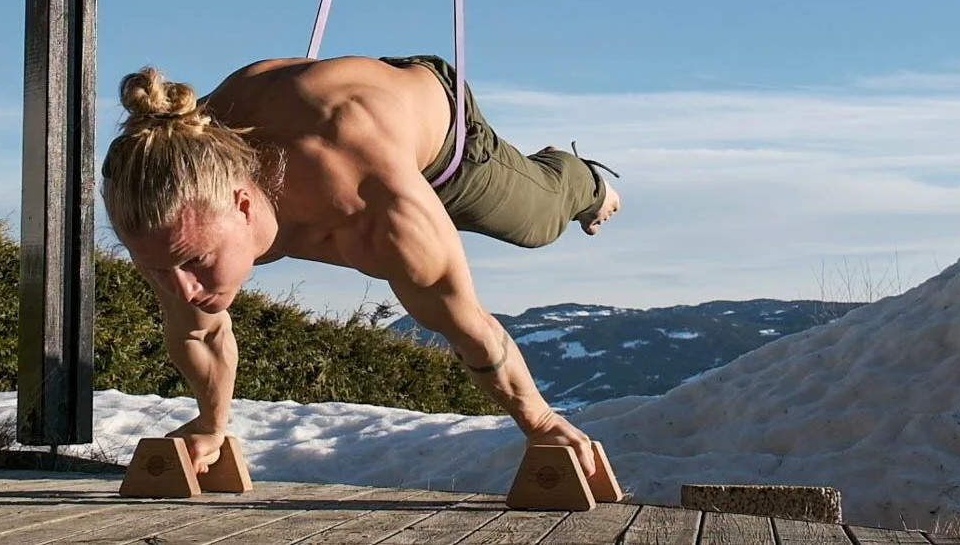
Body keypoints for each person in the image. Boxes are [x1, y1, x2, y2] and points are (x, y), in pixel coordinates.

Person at [99, 54, 621, 479]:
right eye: (161, 270)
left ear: (243, 205)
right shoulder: (169, 209)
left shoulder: (370, 203)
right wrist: (211, 425)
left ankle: (582, 179)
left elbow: (467, 325)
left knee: (538, 221)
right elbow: (200, 333)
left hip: (439, 136)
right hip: (317, 105)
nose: (183, 289)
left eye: (196, 263)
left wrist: (541, 422)